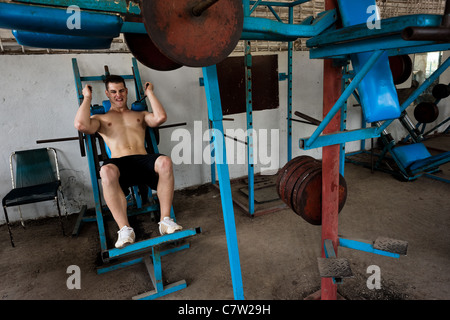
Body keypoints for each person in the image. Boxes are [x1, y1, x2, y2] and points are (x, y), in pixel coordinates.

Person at [74, 75, 182, 249]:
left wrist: (150, 93)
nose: (118, 95)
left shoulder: (139, 114)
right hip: (119, 162)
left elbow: (160, 117)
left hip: (142, 159)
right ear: (107, 94)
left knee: (165, 162)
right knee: (106, 171)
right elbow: (81, 124)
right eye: (114, 92)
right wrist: (87, 98)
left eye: (122, 90)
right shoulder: (100, 118)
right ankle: (124, 229)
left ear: (126, 91)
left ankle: (165, 220)